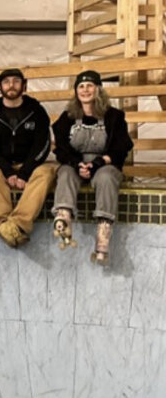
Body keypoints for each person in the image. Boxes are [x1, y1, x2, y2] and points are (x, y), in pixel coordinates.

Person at [51, 70, 133, 264]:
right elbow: (60, 147)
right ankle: (63, 217)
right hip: (77, 163)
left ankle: (103, 229)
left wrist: (99, 162)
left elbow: (122, 146)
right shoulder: (68, 117)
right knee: (65, 173)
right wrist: (76, 163)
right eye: (81, 86)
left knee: (106, 178)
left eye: (90, 86)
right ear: (76, 91)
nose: (85, 90)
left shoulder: (114, 116)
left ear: (98, 90)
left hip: (105, 163)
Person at [0, 68, 54, 247]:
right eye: (6, 82)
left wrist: (25, 173)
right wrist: (8, 171)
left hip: (29, 166)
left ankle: (17, 224)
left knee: (47, 172)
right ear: (0, 87)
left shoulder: (37, 111)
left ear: (24, 85)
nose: (11, 85)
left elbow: (43, 145)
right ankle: (3, 223)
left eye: (16, 81)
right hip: (0, 166)